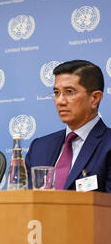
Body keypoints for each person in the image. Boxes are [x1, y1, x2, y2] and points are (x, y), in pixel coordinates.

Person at [25, 60, 110, 192]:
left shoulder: (107, 145)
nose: (60, 101)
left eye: (69, 92)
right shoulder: (39, 147)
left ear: (95, 98)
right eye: (57, 93)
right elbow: (23, 202)